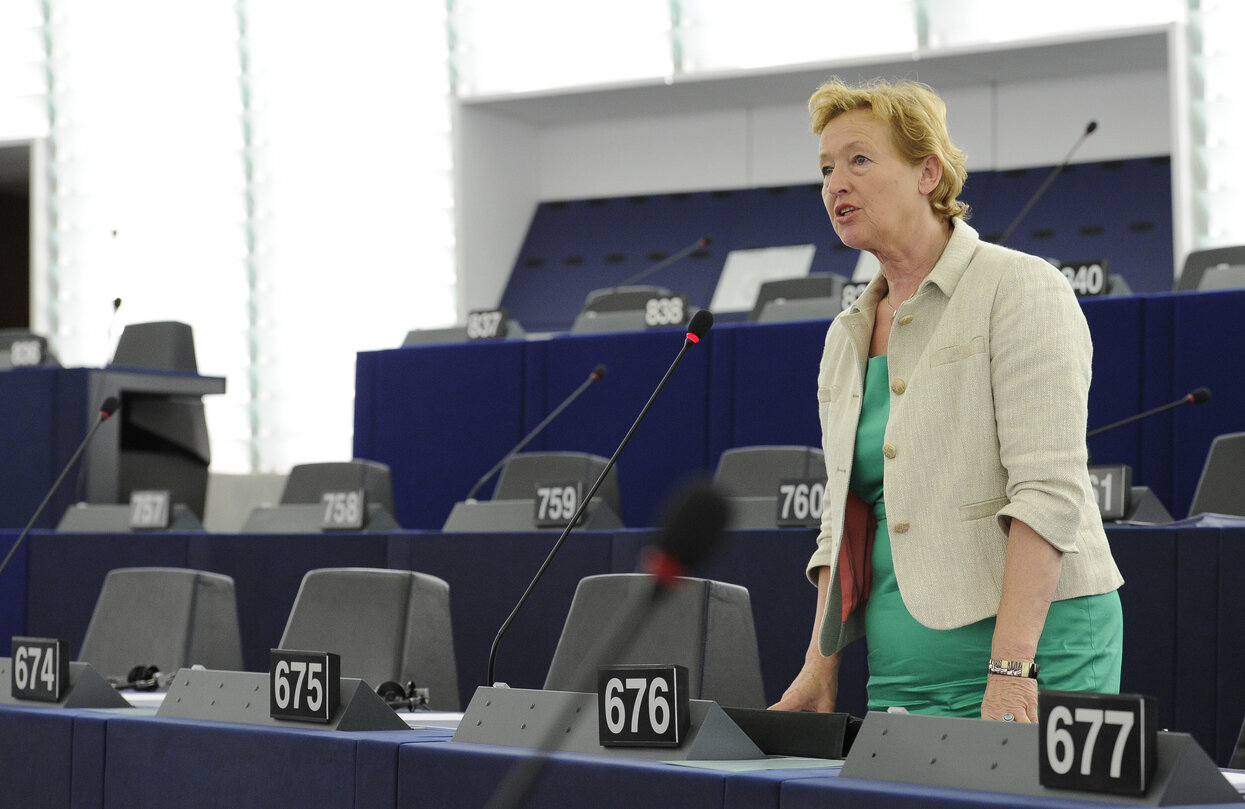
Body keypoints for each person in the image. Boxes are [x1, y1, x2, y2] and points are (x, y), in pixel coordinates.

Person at [770, 78, 1124, 722]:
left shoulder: (1020, 287)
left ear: (927, 172)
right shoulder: (844, 335)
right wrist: (818, 669)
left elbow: (1048, 493)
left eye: (859, 159)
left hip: (1037, 659)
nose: (834, 184)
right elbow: (842, 523)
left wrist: (1013, 671)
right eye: (825, 169)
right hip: (903, 675)